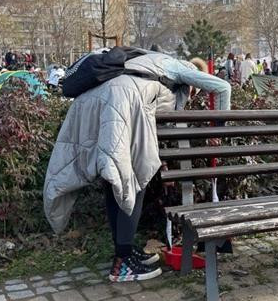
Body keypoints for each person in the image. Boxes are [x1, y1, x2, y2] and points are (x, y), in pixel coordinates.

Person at [44, 50, 232, 283]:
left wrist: (160, 161)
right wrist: (220, 129)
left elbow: (154, 124)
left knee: (114, 178)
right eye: (194, 90)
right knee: (133, 179)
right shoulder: (182, 69)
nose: (191, 95)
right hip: (122, 101)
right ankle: (122, 265)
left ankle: (124, 251)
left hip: (91, 101)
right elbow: (223, 87)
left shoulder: (151, 63)